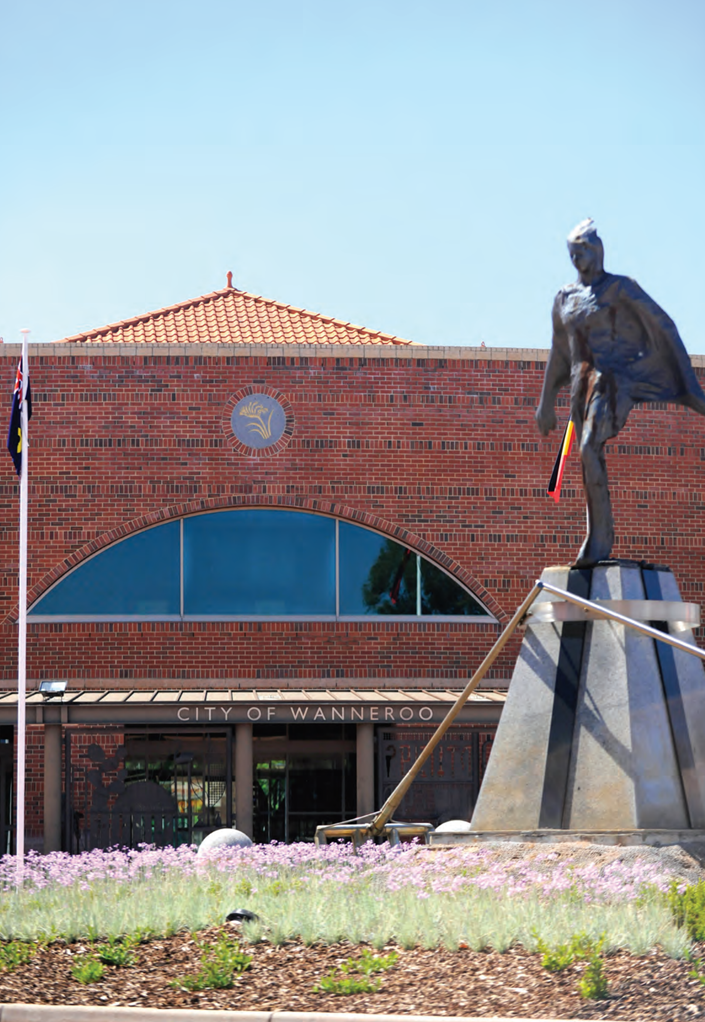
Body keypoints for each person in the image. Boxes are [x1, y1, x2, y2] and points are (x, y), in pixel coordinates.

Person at [536, 219, 705, 565]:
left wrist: (688, 385)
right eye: (572, 254)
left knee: (588, 446)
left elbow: (662, 326)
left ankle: (598, 541)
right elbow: (559, 350)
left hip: (615, 380)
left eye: (582, 251)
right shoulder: (565, 298)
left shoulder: (620, 289)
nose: (577, 259)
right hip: (581, 384)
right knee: (588, 458)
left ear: (598, 250)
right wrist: (546, 402)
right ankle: (597, 535)